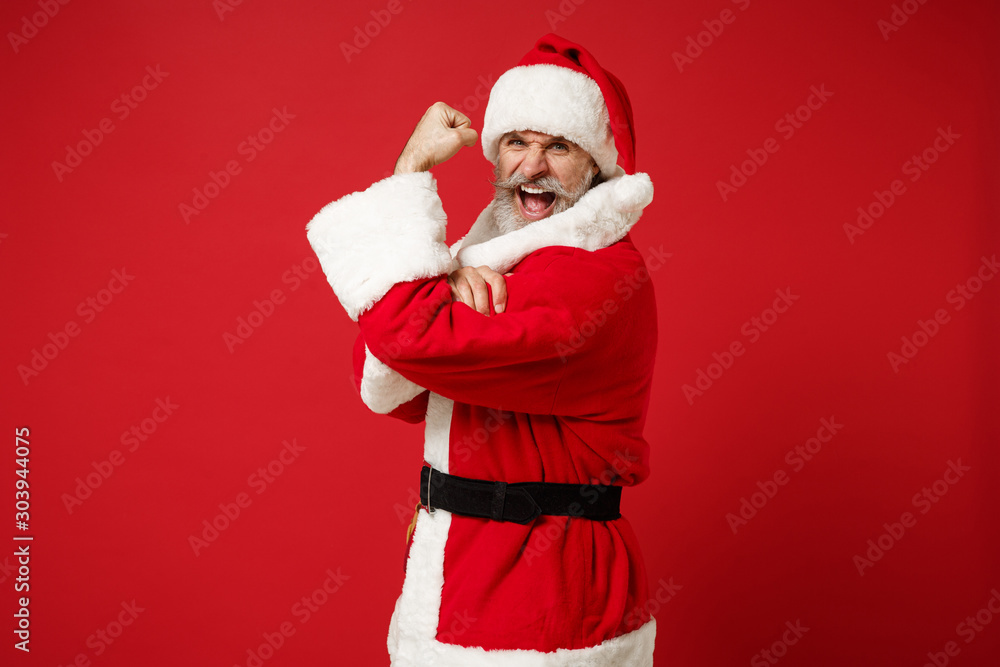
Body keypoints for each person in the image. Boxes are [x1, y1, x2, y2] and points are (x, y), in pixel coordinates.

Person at [306, 33, 658, 666]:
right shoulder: (504, 266)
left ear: (597, 165)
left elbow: (405, 338)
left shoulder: (594, 278)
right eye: (517, 143)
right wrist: (447, 282)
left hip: (541, 595)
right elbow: (387, 379)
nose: (531, 168)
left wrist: (410, 172)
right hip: (463, 573)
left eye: (560, 147)